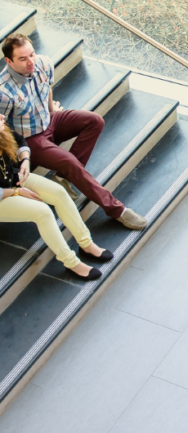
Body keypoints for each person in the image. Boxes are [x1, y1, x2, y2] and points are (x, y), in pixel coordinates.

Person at [0, 33, 146, 230]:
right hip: (29, 138)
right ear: (9, 60)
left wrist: (53, 110)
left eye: (32, 55)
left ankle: (63, 177)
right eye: (23, 59)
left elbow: (46, 89)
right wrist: (20, 155)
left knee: (94, 121)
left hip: (50, 120)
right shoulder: (3, 91)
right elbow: (3, 129)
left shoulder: (43, 63)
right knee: (70, 162)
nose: (30, 62)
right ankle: (116, 209)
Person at [0, 114, 112, 279]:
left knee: (59, 192)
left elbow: (20, 141)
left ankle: (86, 244)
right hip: (3, 195)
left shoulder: (3, 128)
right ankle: (71, 263)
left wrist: (24, 160)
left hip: (12, 180)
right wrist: (16, 192)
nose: (2, 116)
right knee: (42, 212)